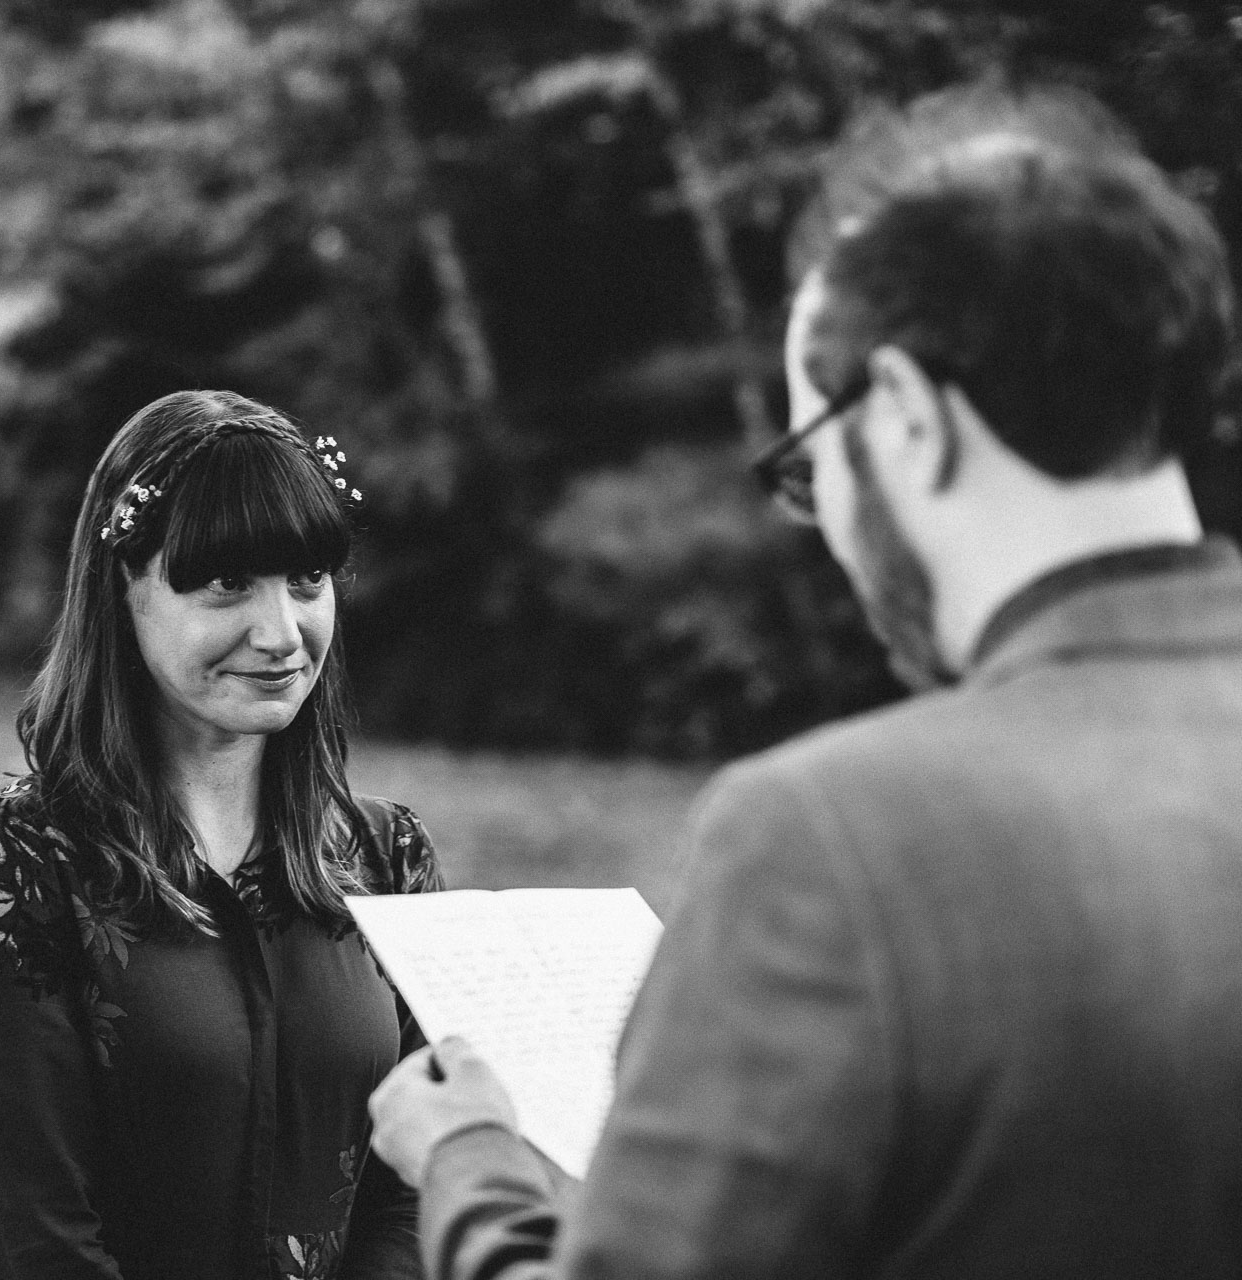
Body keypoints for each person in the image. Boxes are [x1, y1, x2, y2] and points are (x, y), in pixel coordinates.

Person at [367, 85, 1242, 1278]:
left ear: (908, 417)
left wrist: (469, 1157)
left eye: (805, 464)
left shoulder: (832, 840)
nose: (820, 520)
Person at [0, 389, 443, 1280]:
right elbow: (37, 1242)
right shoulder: (26, 863)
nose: (281, 633)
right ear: (123, 589)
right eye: (227, 584)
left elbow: (412, 1186)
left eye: (307, 580)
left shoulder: (387, 856)